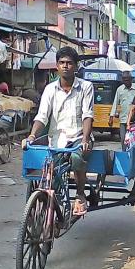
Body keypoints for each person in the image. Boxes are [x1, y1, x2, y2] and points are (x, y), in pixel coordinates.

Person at [26, 47, 94, 216]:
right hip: (57, 140)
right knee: (51, 172)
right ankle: (53, 214)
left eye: (69, 63)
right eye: (62, 63)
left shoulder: (86, 87)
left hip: (79, 138)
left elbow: (88, 115)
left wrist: (85, 138)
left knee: (77, 158)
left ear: (76, 66)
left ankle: (79, 194)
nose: (65, 66)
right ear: (57, 66)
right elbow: (42, 116)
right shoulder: (50, 89)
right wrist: (32, 135)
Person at [110, 71, 135, 150]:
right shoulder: (119, 89)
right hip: (123, 120)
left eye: (128, 80)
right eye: (124, 80)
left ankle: (133, 155)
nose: (126, 82)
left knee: (134, 140)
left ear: (131, 79)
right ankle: (124, 154)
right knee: (123, 140)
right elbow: (115, 103)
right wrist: (111, 116)